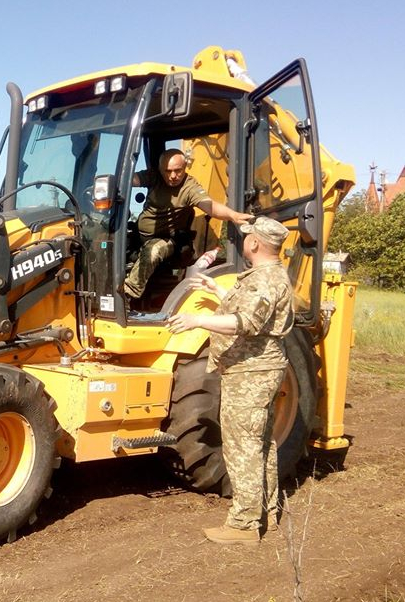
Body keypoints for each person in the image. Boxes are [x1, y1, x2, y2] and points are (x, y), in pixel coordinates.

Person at [165, 216, 294, 545]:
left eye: (248, 237)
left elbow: (247, 321)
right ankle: (267, 512)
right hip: (255, 370)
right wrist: (217, 289)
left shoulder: (265, 280)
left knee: (242, 447)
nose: (245, 241)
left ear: (254, 243)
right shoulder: (267, 277)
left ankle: (243, 524)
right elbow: (253, 309)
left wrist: (198, 320)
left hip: (251, 373)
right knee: (262, 444)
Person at [123, 149, 252, 306]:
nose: (173, 176)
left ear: (185, 167)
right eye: (168, 171)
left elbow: (210, 206)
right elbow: (131, 179)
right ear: (160, 169)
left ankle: (127, 295)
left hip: (167, 239)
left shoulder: (189, 187)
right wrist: (118, 180)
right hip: (139, 235)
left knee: (153, 251)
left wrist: (233, 215)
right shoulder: (154, 177)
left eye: (178, 170)